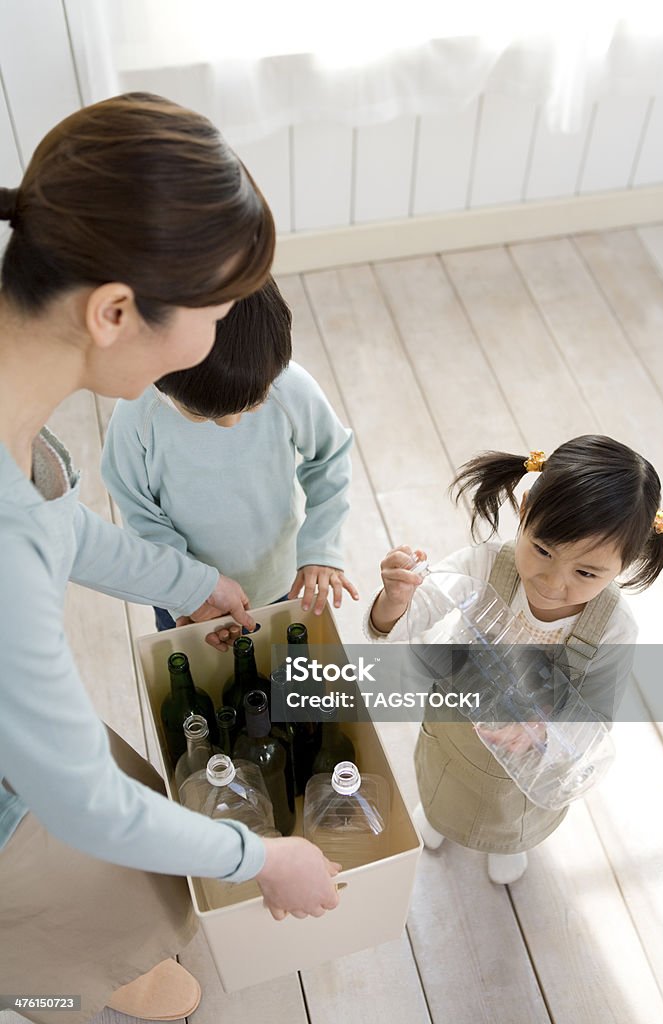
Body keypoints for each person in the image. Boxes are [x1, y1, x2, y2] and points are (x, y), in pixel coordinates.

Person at [0, 93, 340, 1024]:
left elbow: (56, 522)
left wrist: (188, 583)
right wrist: (266, 858)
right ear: (115, 310)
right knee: (66, 939)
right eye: (220, 309)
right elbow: (80, 804)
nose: (222, 332)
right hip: (23, 821)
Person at [366, 436, 663, 884]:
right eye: (542, 550)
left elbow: (596, 718)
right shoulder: (484, 566)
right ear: (525, 509)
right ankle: (437, 818)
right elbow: (403, 625)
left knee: (513, 818)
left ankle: (508, 845)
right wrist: (395, 599)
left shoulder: (614, 628)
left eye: (586, 573)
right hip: (455, 733)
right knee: (443, 787)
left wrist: (544, 726)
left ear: (625, 564)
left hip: (529, 766)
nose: (553, 583)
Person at [101, 275, 358, 634]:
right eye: (201, 415)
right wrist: (190, 587)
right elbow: (138, 510)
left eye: (253, 405)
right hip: (187, 598)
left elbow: (330, 456)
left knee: (281, 671)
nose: (229, 424)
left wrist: (320, 544)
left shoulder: (289, 387)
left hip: (279, 579)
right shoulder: (137, 413)